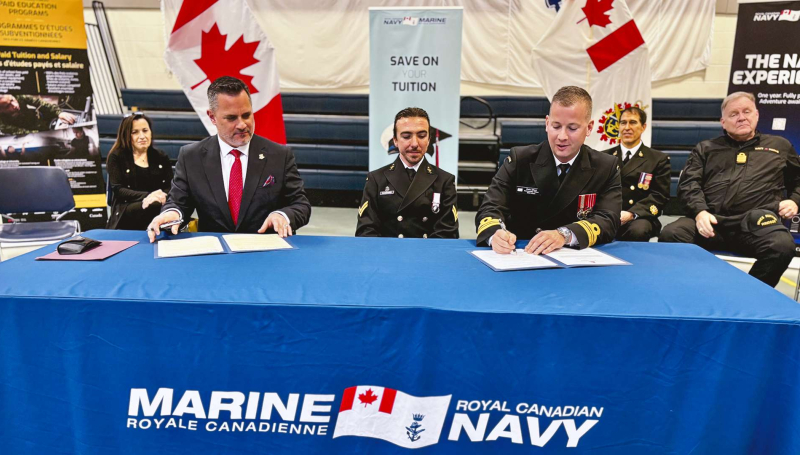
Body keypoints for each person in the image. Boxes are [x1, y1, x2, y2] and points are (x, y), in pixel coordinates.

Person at [659, 92, 800, 287]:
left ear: (757, 115)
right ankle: (693, 287)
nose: (741, 117)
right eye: (734, 114)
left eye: (746, 111)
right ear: (723, 122)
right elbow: (688, 184)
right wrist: (700, 212)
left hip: (756, 224)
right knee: (671, 234)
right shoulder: (706, 148)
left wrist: (794, 200)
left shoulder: (780, 146)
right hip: (711, 223)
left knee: (782, 246)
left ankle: (748, 297)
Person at [147, 76, 311, 242]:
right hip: (215, 255)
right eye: (232, 118)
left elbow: (301, 205)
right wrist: (171, 214)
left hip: (265, 254)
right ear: (212, 117)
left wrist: (282, 215)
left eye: (246, 115)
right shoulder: (191, 157)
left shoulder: (279, 155)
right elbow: (178, 202)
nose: (242, 124)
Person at [476, 86, 621, 254]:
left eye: (572, 128)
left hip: (575, 260)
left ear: (589, 128)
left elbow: (608, 220)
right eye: (556, 126)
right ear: (546, 123)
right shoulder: (520, 159)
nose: (562, 137)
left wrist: (564, 235)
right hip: (522, 255)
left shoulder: (605, 166)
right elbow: (491, 207)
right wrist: (496, 235)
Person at [356, 107, 459, 238]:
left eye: (422, 136)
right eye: (406, 136)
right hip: (387, 254)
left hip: (428, 255)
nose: (414, 143)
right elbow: (366, 231)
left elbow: (447, 234)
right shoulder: (376, 179)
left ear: (428, 139)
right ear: (395, 140)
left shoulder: (444, 180)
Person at [602, 106, 670, 241]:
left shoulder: (657, 159)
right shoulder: (605, 157)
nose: (627, 127)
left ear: (643, 127)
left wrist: (632, 213)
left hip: (639, 217)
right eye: (623, 122)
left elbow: (659, 196)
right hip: (609, 214)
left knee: (638, 230)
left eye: (633, 122)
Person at [106, 113, 174, 230]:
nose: (142, 136)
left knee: (161, 206)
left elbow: (170, 187)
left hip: (157, 205)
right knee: (153, 205)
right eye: (135, 132)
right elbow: (119, 190)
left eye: (145, 130)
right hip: (126, 207)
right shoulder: (116, 156)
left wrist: (161, 196)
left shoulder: (161, 157)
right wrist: (148, 196)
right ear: (126, 135)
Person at [0, 94, 75, 135]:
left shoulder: (18, 96)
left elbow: (39, 102)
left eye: (12, 100)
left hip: (37, 117)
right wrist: (51, 132)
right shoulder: (3, 125)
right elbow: (25, 133)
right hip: (32, 130)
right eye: (7, 106)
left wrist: (59, 112)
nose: (15, 105)